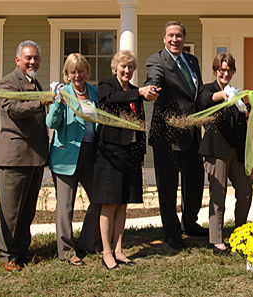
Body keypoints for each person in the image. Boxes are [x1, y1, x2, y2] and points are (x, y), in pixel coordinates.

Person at [144, 21, 206, 250]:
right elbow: (154, 79)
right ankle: (171, 232)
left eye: (179, 36)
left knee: (194, 182)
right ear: (164, 38)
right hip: (167, 136)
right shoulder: (156, 60)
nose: (175, 39)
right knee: (168, 187)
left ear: (184, 37)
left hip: (192, 134)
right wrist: (151, 89)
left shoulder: (192, 61)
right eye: (170, 35)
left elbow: (194, 96)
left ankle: (189, 223)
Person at [95, 50, 159, 269]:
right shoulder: (106, 85)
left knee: (123, 203)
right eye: (123, 66)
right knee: (109, 202)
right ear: (115, 67)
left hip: (130, 153)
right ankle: (106, 252)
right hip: (110, 151)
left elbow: (140, 124)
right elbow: (109, 99)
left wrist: (141, 153)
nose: (127, 70)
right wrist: (139, 93)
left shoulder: (134, 91)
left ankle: (119, 249)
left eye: (130, 67)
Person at [0, 40, 52, 272]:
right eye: (28, 58)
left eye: (36, 58)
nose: (32, 61)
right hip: (15, 158)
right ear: (18, 60)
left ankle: (23, 251)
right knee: (10, 212)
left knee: (27, 210)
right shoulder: (8, 82)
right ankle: (7, 256)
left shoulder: (36, 84)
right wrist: (40, 102)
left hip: (35, 158)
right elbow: (13, 109)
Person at [46, 53, 101, 266]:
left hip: (91, 153)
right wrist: (57, 103)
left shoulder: (94, 92)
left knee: (98, 199)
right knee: (65, 206)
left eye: (80, 70)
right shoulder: (63, 92)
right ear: (67, 74)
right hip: (65, 155)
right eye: (72, 71)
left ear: (87, 71)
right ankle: (67, 250)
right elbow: (52, 122)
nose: (77, 75)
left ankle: (88, 242)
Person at [197, 53, 252, 255]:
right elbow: (204, 101)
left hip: (237, 151)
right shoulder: (208, 89)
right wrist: (221, 96)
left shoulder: (236, 93)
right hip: (216, 152)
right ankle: (217, 240)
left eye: (229, 70)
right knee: (218, 196)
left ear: (233, 71)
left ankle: (240, 234)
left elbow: (241, 124)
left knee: (246, 193)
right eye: (221, 70)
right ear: (215, 71)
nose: (225, 73)